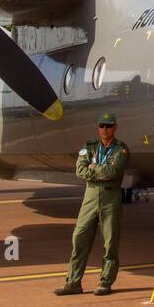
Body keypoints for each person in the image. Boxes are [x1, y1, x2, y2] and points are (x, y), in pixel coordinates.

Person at [54, 112, 130, 297]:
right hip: (90, 196)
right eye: (102, 125)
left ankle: (105, 282)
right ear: (98, 128)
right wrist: (100, 171)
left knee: (110, 241)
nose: (105, 129)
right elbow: (80, 170)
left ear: (115, 128)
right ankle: (73, 282)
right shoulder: (88, 147)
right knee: (79, 237)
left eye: (109, 125)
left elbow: (114, 170)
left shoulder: (121, 149)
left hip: (110, 197)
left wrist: (93, 169)